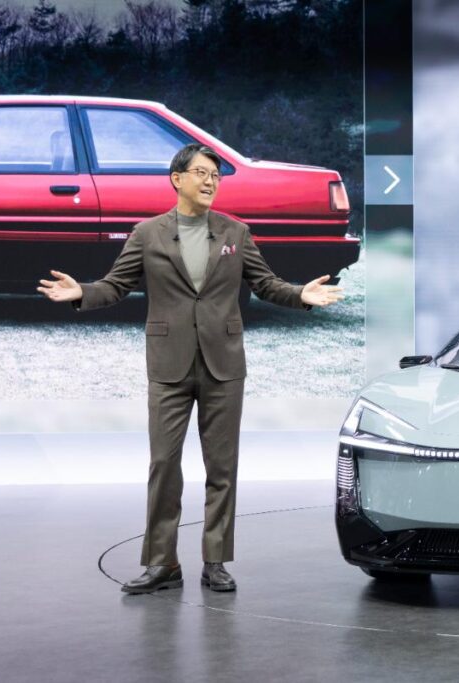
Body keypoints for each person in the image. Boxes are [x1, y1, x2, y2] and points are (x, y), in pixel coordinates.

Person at [37, 143, 343, 593]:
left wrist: (300, 295)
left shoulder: (236, 232)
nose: (210, 181)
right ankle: (162, 564)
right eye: (201, 173)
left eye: (215, 175)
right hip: (169, 365)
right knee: (164, 464)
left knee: (222, 468)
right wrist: (82, 292)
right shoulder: (147, 233)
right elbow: (116, 285)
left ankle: (215, 561)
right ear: (177, 179)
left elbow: (265, 284)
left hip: (224, 365)